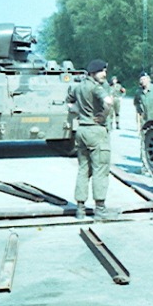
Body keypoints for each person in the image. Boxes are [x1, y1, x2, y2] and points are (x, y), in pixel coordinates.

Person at [66, 59, 115, 219]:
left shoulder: (78, 87)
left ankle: (80, 209)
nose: (104, 74)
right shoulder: (96, 88)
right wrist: (103, 116)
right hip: (96, 131)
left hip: (81, 130)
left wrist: (78, 112)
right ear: (93, 72)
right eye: (102, 71)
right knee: (100, 170)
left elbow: (69, 102)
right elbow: (109, 102)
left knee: (83, 170)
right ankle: (100, 210)